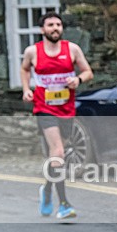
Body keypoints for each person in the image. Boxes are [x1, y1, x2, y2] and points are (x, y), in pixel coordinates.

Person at [21, 12, 93, 220]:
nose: (55, 28)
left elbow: (88, 72)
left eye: (58, 24)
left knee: (59, 155)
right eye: (50, 25)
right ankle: (63, 203)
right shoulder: (32, 51)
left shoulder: (72, 49)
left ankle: (46, 189)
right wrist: (27, 89)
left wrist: (78, 80)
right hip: (44, 107)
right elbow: (25, 69)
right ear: (42, 29)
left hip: (66, 108)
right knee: (58, 151)